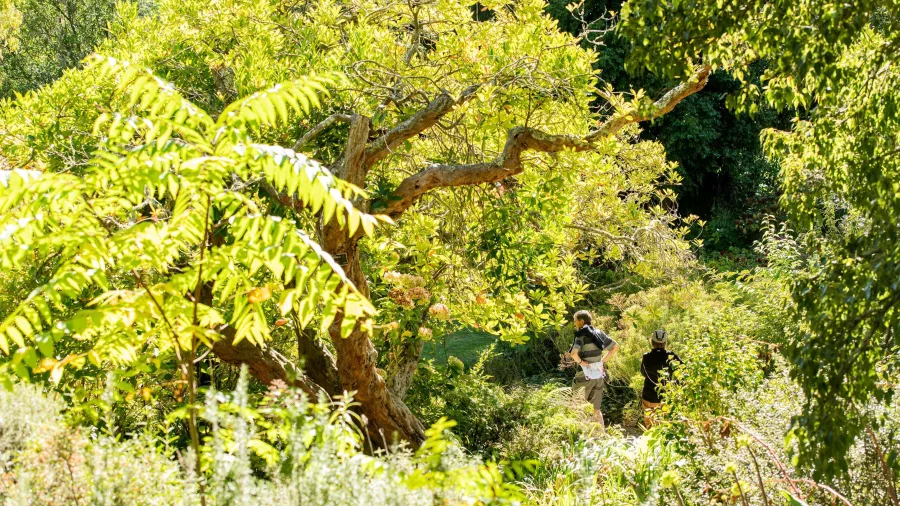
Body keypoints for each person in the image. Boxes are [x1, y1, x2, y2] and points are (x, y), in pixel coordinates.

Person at [570, 310, 619, 429]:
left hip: (584, 376)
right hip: (598, 376)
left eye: (575, 321)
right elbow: (615, 347)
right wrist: (601, 361)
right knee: (596, 409)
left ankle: (578, 434)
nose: (574, 324)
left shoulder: (581, 335)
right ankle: (602, 436)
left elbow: (573, 354)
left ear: (581, 321)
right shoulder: (599, 333)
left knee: (576, 406)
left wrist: (582, 362)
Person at [640, 329, 682, 427]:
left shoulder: (646, 357)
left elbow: (643, 372)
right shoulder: (671, 356)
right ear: (665, 342)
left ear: (652, 342)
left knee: (650, 427)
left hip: (649, 396)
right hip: (666, 398)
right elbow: (683, 371)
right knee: (665, 426)